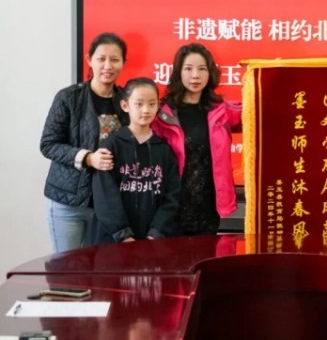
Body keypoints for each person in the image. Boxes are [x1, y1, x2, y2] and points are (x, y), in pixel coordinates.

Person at [40, 32, 128, 252]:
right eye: (101, 59)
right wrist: (88, 158)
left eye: (115, 59)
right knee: (66, 267)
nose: (108, 66)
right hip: (69, 202)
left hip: (108, 205)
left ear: (123, 63)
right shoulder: (69, 97)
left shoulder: (127, 101)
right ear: (89, 59)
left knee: (101, 268)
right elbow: (48, 144)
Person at [152, 43, 242, 236]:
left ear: (210, 73)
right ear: (178, 72)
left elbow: (257, 110)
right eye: (188, 69)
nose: (195, 75)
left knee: (206, 254)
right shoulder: (162, 115)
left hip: (208, 208)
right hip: (171, 207)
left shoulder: (222, 110)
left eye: (202, 69)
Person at [91, 78, 181, 244]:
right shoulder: (111, 146)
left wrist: (156, 232)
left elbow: (172, 195)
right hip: (114, 240)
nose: (146, 110)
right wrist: (123, 234)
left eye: (152, 104)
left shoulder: (164, 149)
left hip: (153, 241)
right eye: (139, 104)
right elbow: (104, 195)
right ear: (125, 106)